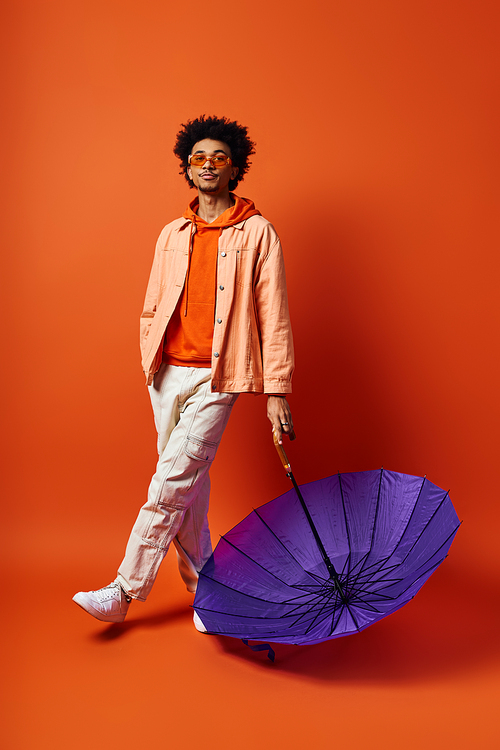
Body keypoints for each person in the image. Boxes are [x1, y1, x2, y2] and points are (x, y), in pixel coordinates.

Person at [73, 115, 294, 628]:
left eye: (220, 157)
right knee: (188, 482)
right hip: (166, 373)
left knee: (171, 480)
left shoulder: (259, 233)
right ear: (187, 170)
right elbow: (153, 304)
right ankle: (209, 591)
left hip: (220, 375)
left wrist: (276, 391)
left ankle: (125, 590)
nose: (209, 165)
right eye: (199, 158)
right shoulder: (171, 233)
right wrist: (149, 358)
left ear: (236, 166)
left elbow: (274, 315)